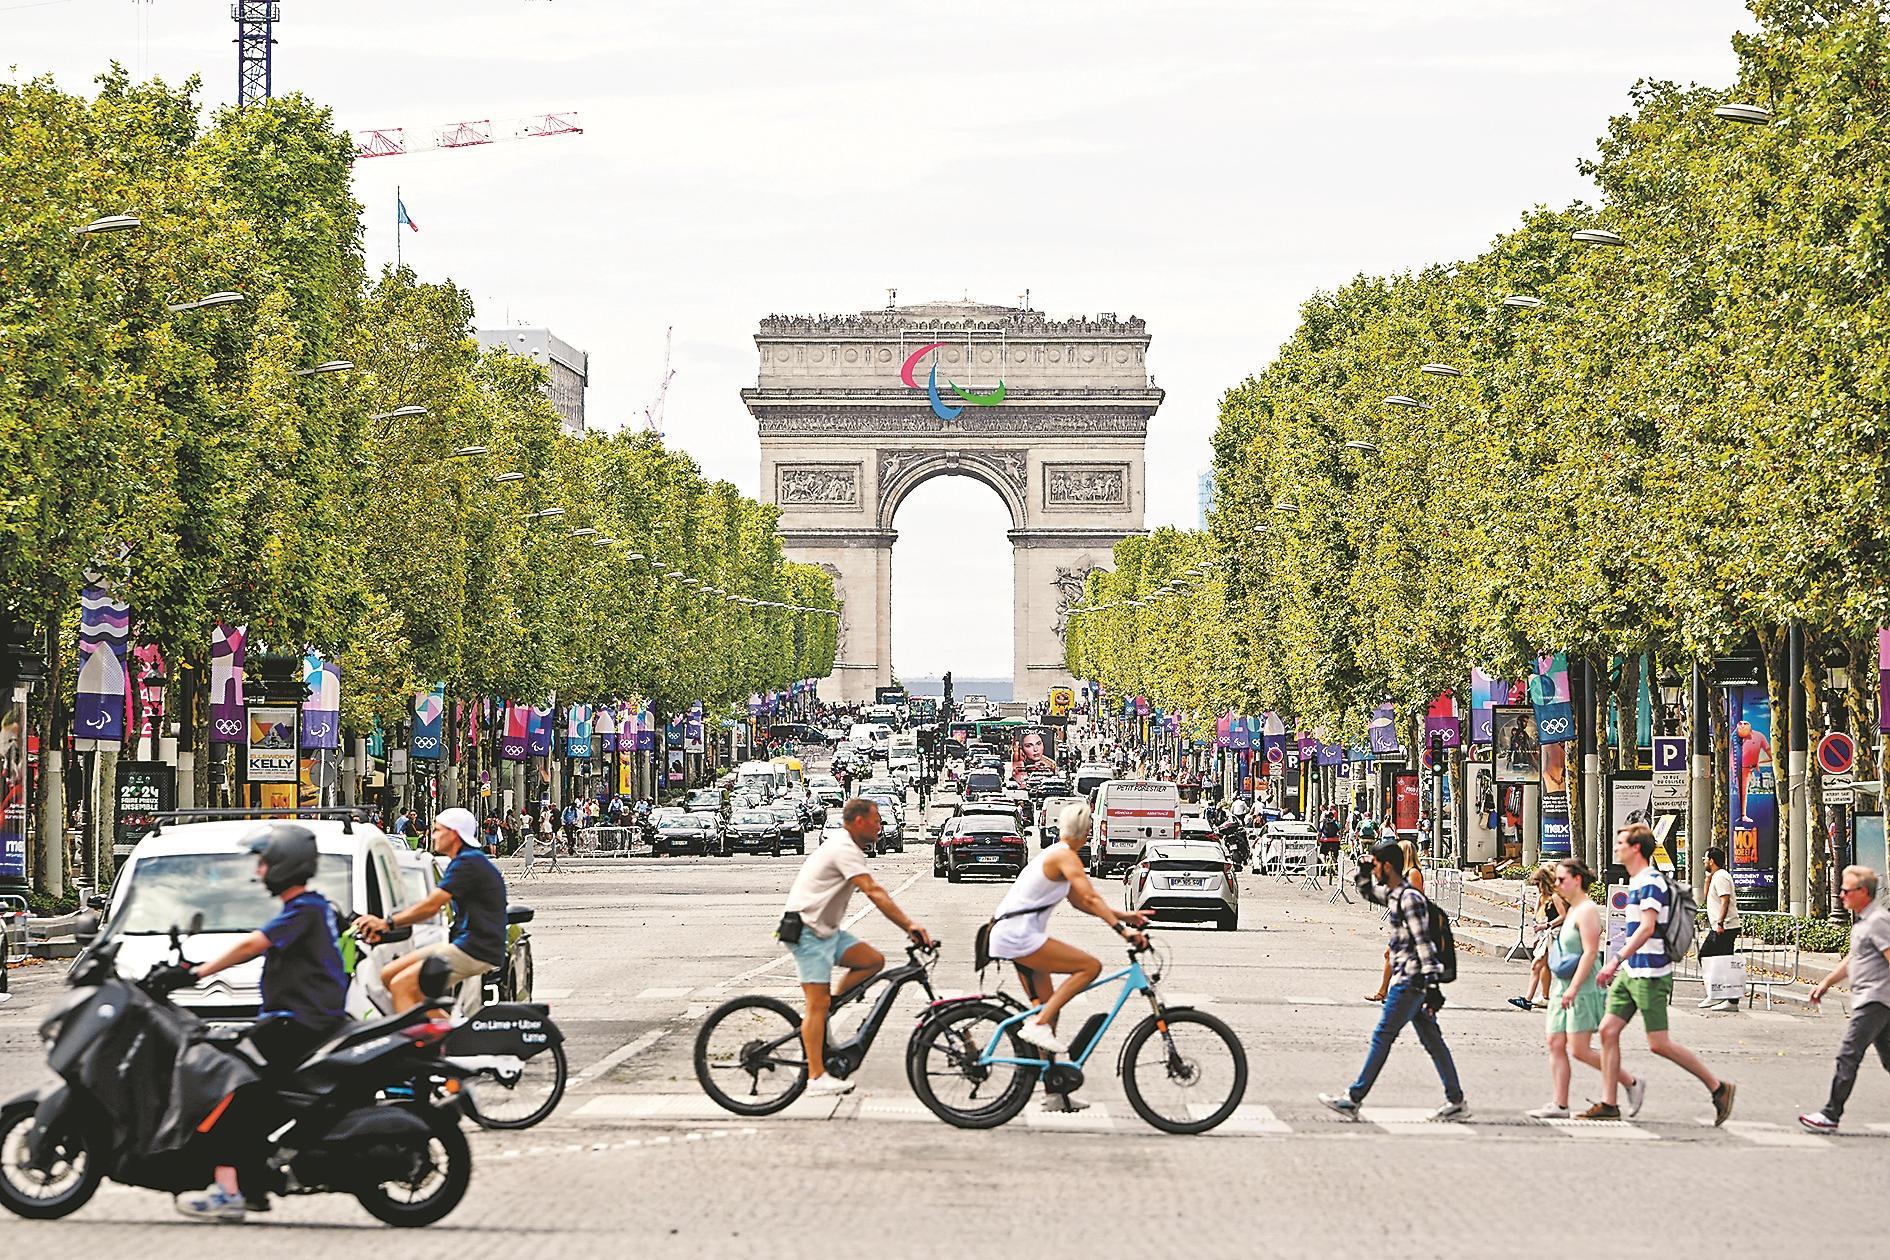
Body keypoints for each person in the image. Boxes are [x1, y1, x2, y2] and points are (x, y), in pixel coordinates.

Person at [175, 823, 348, 1221]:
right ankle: (253, 1183)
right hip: (305, 1020)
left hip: (296, 1023)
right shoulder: (314, 906)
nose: (258, 872)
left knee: (230, 1092)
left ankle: (228, 1192)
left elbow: (253, 944)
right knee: (253, 1094)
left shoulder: (303, 910)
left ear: (284, 866)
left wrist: (198, 973)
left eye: (264, 863)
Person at [987, 801, 1150, 1111]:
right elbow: (1089, 895)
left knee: (1049, 1010)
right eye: (1089, 829)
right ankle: (1039, 1025)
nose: (1090, 834)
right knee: (1090, 966)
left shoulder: (1056, 854)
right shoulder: (1065, 856)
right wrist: (1123, 931)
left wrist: (1127, 916)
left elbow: (1081, 903)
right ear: (1084, 830)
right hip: (1019, 935)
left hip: (1012, 933)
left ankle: (1053, 1092)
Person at [1584, 823, 1735, 1124]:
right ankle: (1609, 1102)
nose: (1617, 848)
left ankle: (1718, 1088)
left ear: (1636, 848)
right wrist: (1622, 963)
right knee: (1607, 1031)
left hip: (1650, 971)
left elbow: (1647, 927)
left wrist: (1615, 960)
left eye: (1621, 843)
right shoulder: (1637, 880)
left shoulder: (1650, 882)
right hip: (1632, 970)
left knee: (1658, 1043)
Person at [780, 798, 932, 1096]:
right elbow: (874, 891)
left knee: (872, 961)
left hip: (826, 931)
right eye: (876, 820)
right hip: (808, 931)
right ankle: (816, 1077)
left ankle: (829, 1006)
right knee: (816, 1005)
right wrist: (909, 926)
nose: (881, 825)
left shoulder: (847, 845)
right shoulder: (844, 848)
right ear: (859, 821)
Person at [1321, 839, 1468, 1121]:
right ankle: (1456, 1100)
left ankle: (1353, 1098)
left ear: (1387, 866)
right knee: (1433, 1041)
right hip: (1413, 980)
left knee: (1382, 1036)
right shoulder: (1395, 894)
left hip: (1410, 981)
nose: (1374, 870)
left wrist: (1432, 986)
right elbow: (1367, 892)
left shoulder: (1409, 899)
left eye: (1376, 866)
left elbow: (1424, 943)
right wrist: (1362, 870)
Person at [356, 806, 508, 1013]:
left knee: (401, 985)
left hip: (475, 949)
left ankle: (417, 1044)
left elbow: (431, 906)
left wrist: (387, 923)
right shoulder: (466, 860)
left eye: (437, 830)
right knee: (388, 975)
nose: (433, 836)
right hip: (466, 944)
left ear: (453, 834)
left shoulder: (467, 863)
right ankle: (445, 1037)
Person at [1526, 858, 1643, 1119]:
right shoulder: (1573, 909)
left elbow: (1591, 953)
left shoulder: (1588, 910)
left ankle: (1630, 1082)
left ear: (1577, 880)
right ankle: (1560, 1104)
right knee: (1555, 1042)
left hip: (1581, 986)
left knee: (1579, 1049)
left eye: (1561, 880)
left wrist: (1574, 988)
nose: (1557, 884)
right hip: (1562, 986)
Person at [1799, 865, 1890, 1133]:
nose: (1841, 896)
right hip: (1873, 998)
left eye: (1846, 890)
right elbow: (1854, 959)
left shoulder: (1878, 921)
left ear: (1863, 892)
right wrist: (1826, 983)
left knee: (1848, 1055)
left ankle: (1830, 1114)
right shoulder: (1865, 921)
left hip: (1875, 999)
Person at [1510, 866, 1564, 1012]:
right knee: (1544, 966)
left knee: (1536, 965)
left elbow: (1563, 915)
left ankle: (1528, 999)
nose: (1536, 887)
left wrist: (1546, 925)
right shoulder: (1543, 897)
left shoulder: (1555, 897)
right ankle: (1545, 997)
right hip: (1546, 934)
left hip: (1553, 934)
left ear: (1544, 882)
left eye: (1538, 883)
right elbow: (1536, 916)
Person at [1697, 845, 1742, 1011]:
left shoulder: (1722, 876)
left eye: (1705, 858)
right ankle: (1723, 997)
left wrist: (1720, 922)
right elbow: (1706, 897)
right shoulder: (1715, 876)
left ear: (1712, 860)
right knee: (1720, 961)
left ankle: (1721, 996)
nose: (1703, 861)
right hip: (1720, 925)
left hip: (1725, 926)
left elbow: (1725, 900)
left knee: (1709, 957)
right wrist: (1707, 879)